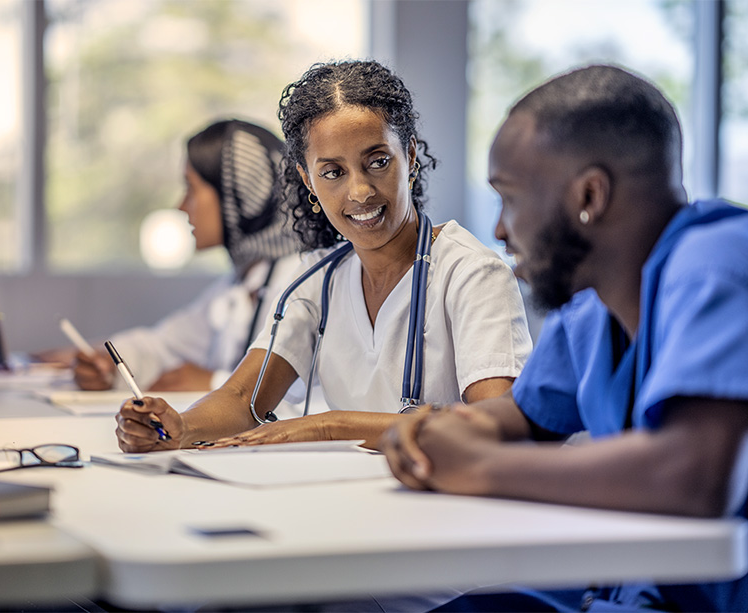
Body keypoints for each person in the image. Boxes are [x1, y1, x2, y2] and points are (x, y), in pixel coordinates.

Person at [381, 64, 748, 612]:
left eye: (508, 198)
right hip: (624, 588)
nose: (498, 230)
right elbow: (525, 419)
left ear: (590, 194)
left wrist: (476, 466)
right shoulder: (593, 300)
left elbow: (697, 479)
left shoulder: (719, 267)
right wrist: (434, 432)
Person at [114, 59, 531, 454]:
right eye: (332, 172)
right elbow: (243, 398)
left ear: (411, 156)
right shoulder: (318, 281)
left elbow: (491, 425)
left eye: (378, 161)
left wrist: (328, 426)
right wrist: (178, 428)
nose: (360, 192)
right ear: (306, 179)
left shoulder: (472, 274)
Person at [73, 119, 303, 393]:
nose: (181, 206)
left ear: (242, 194)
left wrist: (216, 385)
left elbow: (310, 399)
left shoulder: (300, 281)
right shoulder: (242, 281)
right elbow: (165, 345)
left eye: (191, 189)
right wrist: (110, 363)